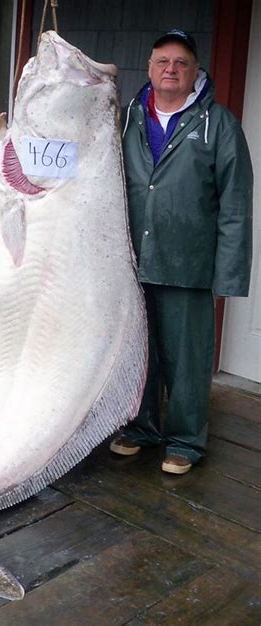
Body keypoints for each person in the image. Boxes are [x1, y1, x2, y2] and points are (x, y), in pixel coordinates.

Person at [110, 29, 253, 474]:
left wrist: (227, 275)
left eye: (181, 62)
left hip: (188, 265)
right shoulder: (130, 116)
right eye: (162, 61)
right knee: (141, 355)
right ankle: (141, 428)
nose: (171, 69)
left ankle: (186, 441)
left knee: (187, 361)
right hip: (133, 261)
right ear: (150, 68)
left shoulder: (219, 124)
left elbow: (235, 206)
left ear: (196, 72)